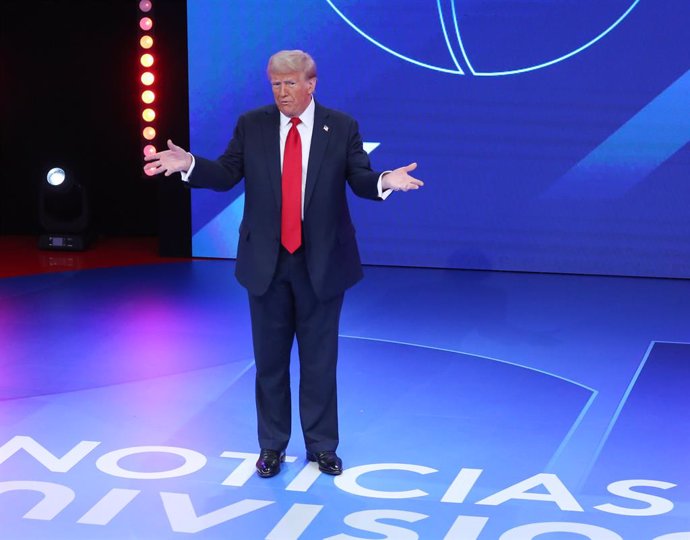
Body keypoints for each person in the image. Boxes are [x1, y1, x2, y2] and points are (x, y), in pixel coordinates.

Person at [144, 50, 423, 478]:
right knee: (270, 364)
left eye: (289, 83)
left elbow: (360, 177)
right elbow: (225, 173)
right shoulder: (252, 124)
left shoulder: (341, 126)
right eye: (274, 83)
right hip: (267, 264)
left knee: (319, 361)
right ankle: (271, 446)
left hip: (322, 263)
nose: (281, 91)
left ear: (311, 84)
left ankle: (321, 446)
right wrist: (191, 166)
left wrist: (385, 180)